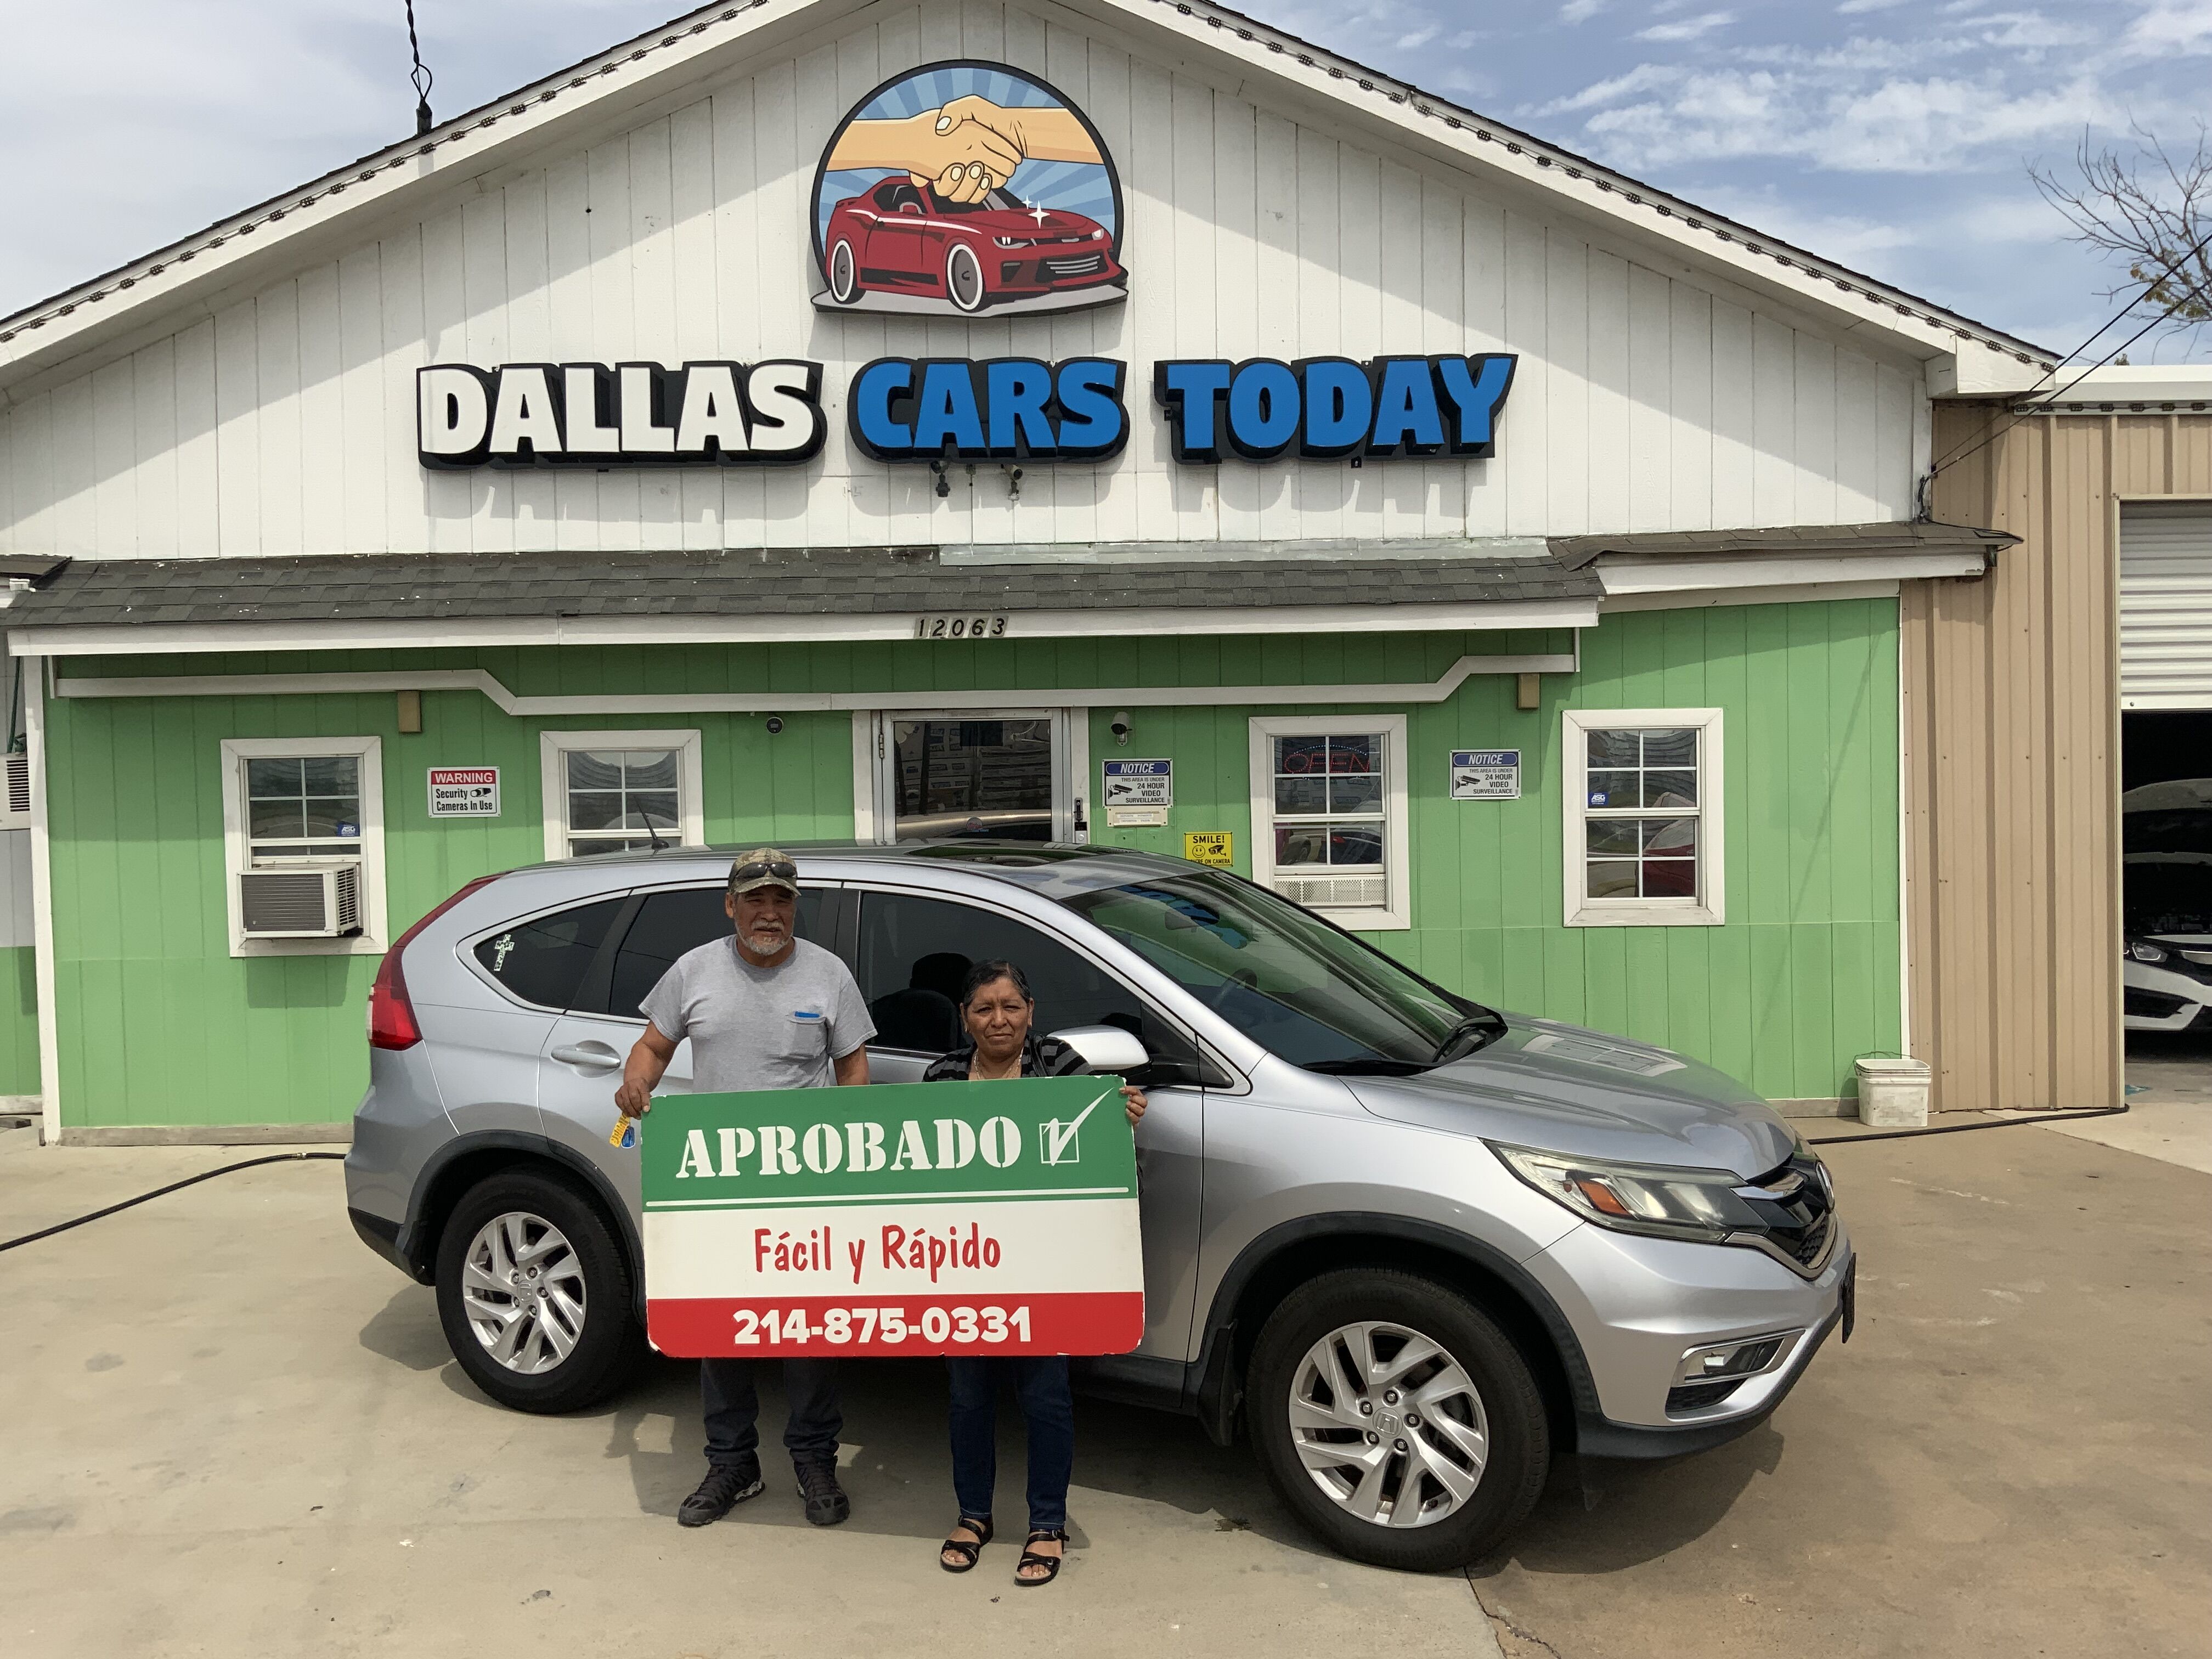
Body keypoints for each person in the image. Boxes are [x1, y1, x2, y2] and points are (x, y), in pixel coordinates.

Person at [615, 849, 874, 1530]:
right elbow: (651, 1048)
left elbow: (853, 1069)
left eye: (782, 900)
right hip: (717, 1188)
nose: (770, 913)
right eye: (755, 899)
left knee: (809, 1333)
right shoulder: (692, 971)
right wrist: (636, 1078)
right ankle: (733, 1462)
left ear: (795, 907)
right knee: (720, 1327)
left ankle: (815, 1458)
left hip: (808, 1187)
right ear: (730, 905)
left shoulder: (828, 974)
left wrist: (847, 1149)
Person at [921, 960, 1147, 1587]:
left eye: (1011, 1006)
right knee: (967, 1397)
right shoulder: (939, 1077)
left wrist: (1119, 1117)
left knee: (1045, 1397)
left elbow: (1099, 1152)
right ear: (965, 1017)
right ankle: (974, 1516)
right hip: (963, 1266)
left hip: (1045, 1266)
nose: (999, 1020)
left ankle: (1047, 1524)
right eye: (984, 1008)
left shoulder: (1063, 1067)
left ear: (1031, 1010)